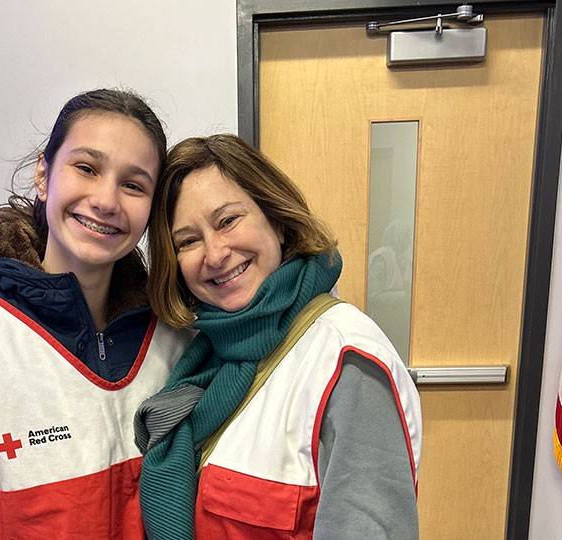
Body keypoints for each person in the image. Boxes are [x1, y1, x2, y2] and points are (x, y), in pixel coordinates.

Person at [0, 89, 190, 539]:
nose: (107, 200)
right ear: (43, 173)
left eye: (134, 184)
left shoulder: (178, 340)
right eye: (87, 168)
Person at [134, 134, 422, 539]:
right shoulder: (201, 361)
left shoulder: (348, 361)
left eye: (228, 220)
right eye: (188, 241)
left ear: (278, 220)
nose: (215, 254)